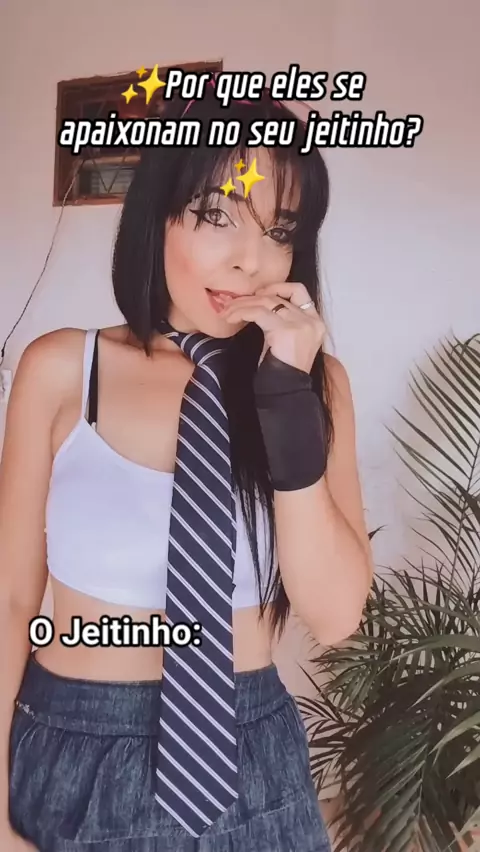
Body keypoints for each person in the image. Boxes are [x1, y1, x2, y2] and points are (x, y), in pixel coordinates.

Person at [0, 83, 373, 851]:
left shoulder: (317, 387)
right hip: (75, 749)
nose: (249, 260)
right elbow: (8, 601)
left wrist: (286, 399)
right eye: (216, 215)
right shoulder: (63, 370)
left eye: (280, 230)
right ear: (158, 214)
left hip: (252, 758)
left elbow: (336, 617)